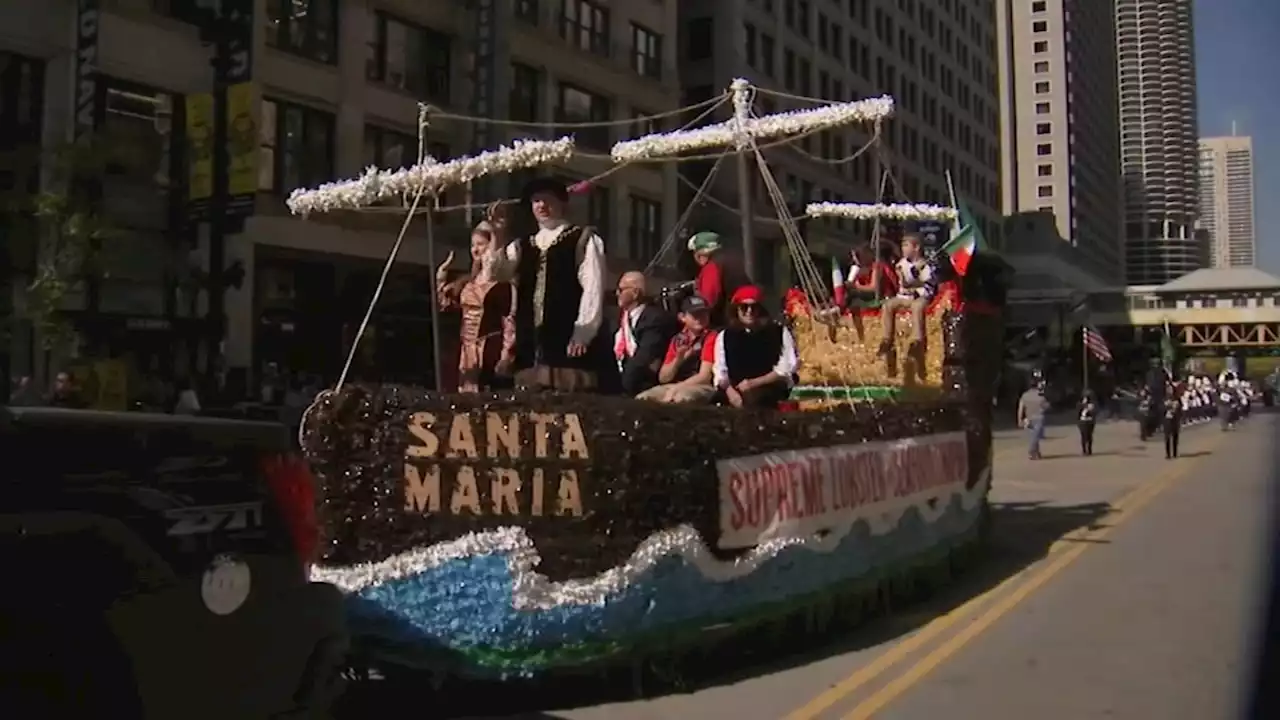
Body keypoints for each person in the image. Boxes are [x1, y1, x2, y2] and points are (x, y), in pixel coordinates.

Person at [486, 177, 609, 392]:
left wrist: (583, 332)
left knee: (568, 400)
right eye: (536, 201)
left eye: (547, 200)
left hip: (567, 337)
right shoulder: (522, 245)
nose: (541, 206)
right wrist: (497, 234)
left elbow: (593, 288)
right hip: (530, 340)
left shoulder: (582, 239)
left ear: (561, 203)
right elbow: (497, 273)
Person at [437, 218, 517, 392]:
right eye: (473, 245)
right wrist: (442, 276)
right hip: (467, 351)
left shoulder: (501, 284)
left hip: (489, 348)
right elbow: (446, 305)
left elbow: (509, 321)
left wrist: (506, 354)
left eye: (481, 244)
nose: (475, 249)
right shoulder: (468, 283)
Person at [711, 285, 799, 409]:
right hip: (735, 390)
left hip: (769, 387)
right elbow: (720, 371)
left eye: (754, 307)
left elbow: (786, 368)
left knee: (756, 401)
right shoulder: (725, 336)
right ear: (736, 310)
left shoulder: (779, 332)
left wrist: (753, 383)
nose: (749, 311)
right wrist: (730, 392)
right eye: (744, 307)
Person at [636, 295, 718, 404]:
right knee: (643, 398)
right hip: (675, 385)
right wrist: (679, 359)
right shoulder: (678, 339)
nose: (700, 318)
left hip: (700, 385)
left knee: (681, 397)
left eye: (703, 313)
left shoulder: (711, 336)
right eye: (695, 314)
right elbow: (663, 378)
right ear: (682, 317)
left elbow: (704, 376)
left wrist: (677, 388)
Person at [613, 271, 677, 396]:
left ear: (635, 293)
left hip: (642, 382)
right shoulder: (621, 318)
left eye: (621, 289)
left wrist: (620, 388)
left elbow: (644, 357)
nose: (617, 293)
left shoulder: (655, 318)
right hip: (621, 377)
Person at [878, 233, 935, 356]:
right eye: (902, 245)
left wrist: (915, 290)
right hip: (904, 297)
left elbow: (928, 285)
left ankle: (917, 339)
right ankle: (887, 339)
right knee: (888, 305)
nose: (903, 248)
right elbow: (903, 285)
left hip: (919, 296)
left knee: (917, 307)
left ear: (916, 248)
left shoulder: (924, 265)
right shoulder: (902, 263)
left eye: (906, 245)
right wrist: (901, 277)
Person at [687, 231, 750, 326]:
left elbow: (709, 301)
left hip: (725, 325)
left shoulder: (712, 267)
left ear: (700, 254)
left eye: (695, 253)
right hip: (742, 320)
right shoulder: (733, 263)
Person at [843, 241, 898, 308]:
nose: (856, 260)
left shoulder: (877, 266)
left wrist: (855, 286)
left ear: (867, 254)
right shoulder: (861, 270)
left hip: (883, 299)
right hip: (867, 299)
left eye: (858, 255)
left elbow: (874, 288)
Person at [1017, 381, 1049, 460]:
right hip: (1039, 417)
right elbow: (1046, 406)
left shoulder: (1025, 395)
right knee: (1036, 436)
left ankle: (1036, 452)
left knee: (1033, 435)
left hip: (1029, 418)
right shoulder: (1040, 396)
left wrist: (1019, 419)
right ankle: (1031, 451)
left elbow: (1020, 408)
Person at [1162, 384, 1182, 459]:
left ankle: (1175, 453)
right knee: (1167, 437)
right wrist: (1166, 406)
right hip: (1167, 419)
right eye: (1168, 389)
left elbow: (1180, 408)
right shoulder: (1164, 398)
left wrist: (1176, 408)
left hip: (1175, 420)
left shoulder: (1177, 399)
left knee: (1175, 437)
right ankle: (1168, 454)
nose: (1170, 390)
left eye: (1171, 389)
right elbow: (1161, 408)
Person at [1077, 389, 1097, 456]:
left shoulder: (1092, 404)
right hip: (1083, 421)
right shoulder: (1080, 404)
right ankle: (1084, 450)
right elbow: (1078, 412)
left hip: (1089, 421)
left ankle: (1089, 450)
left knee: (1089, 436)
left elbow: (1093, 412)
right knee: (1083, 436)